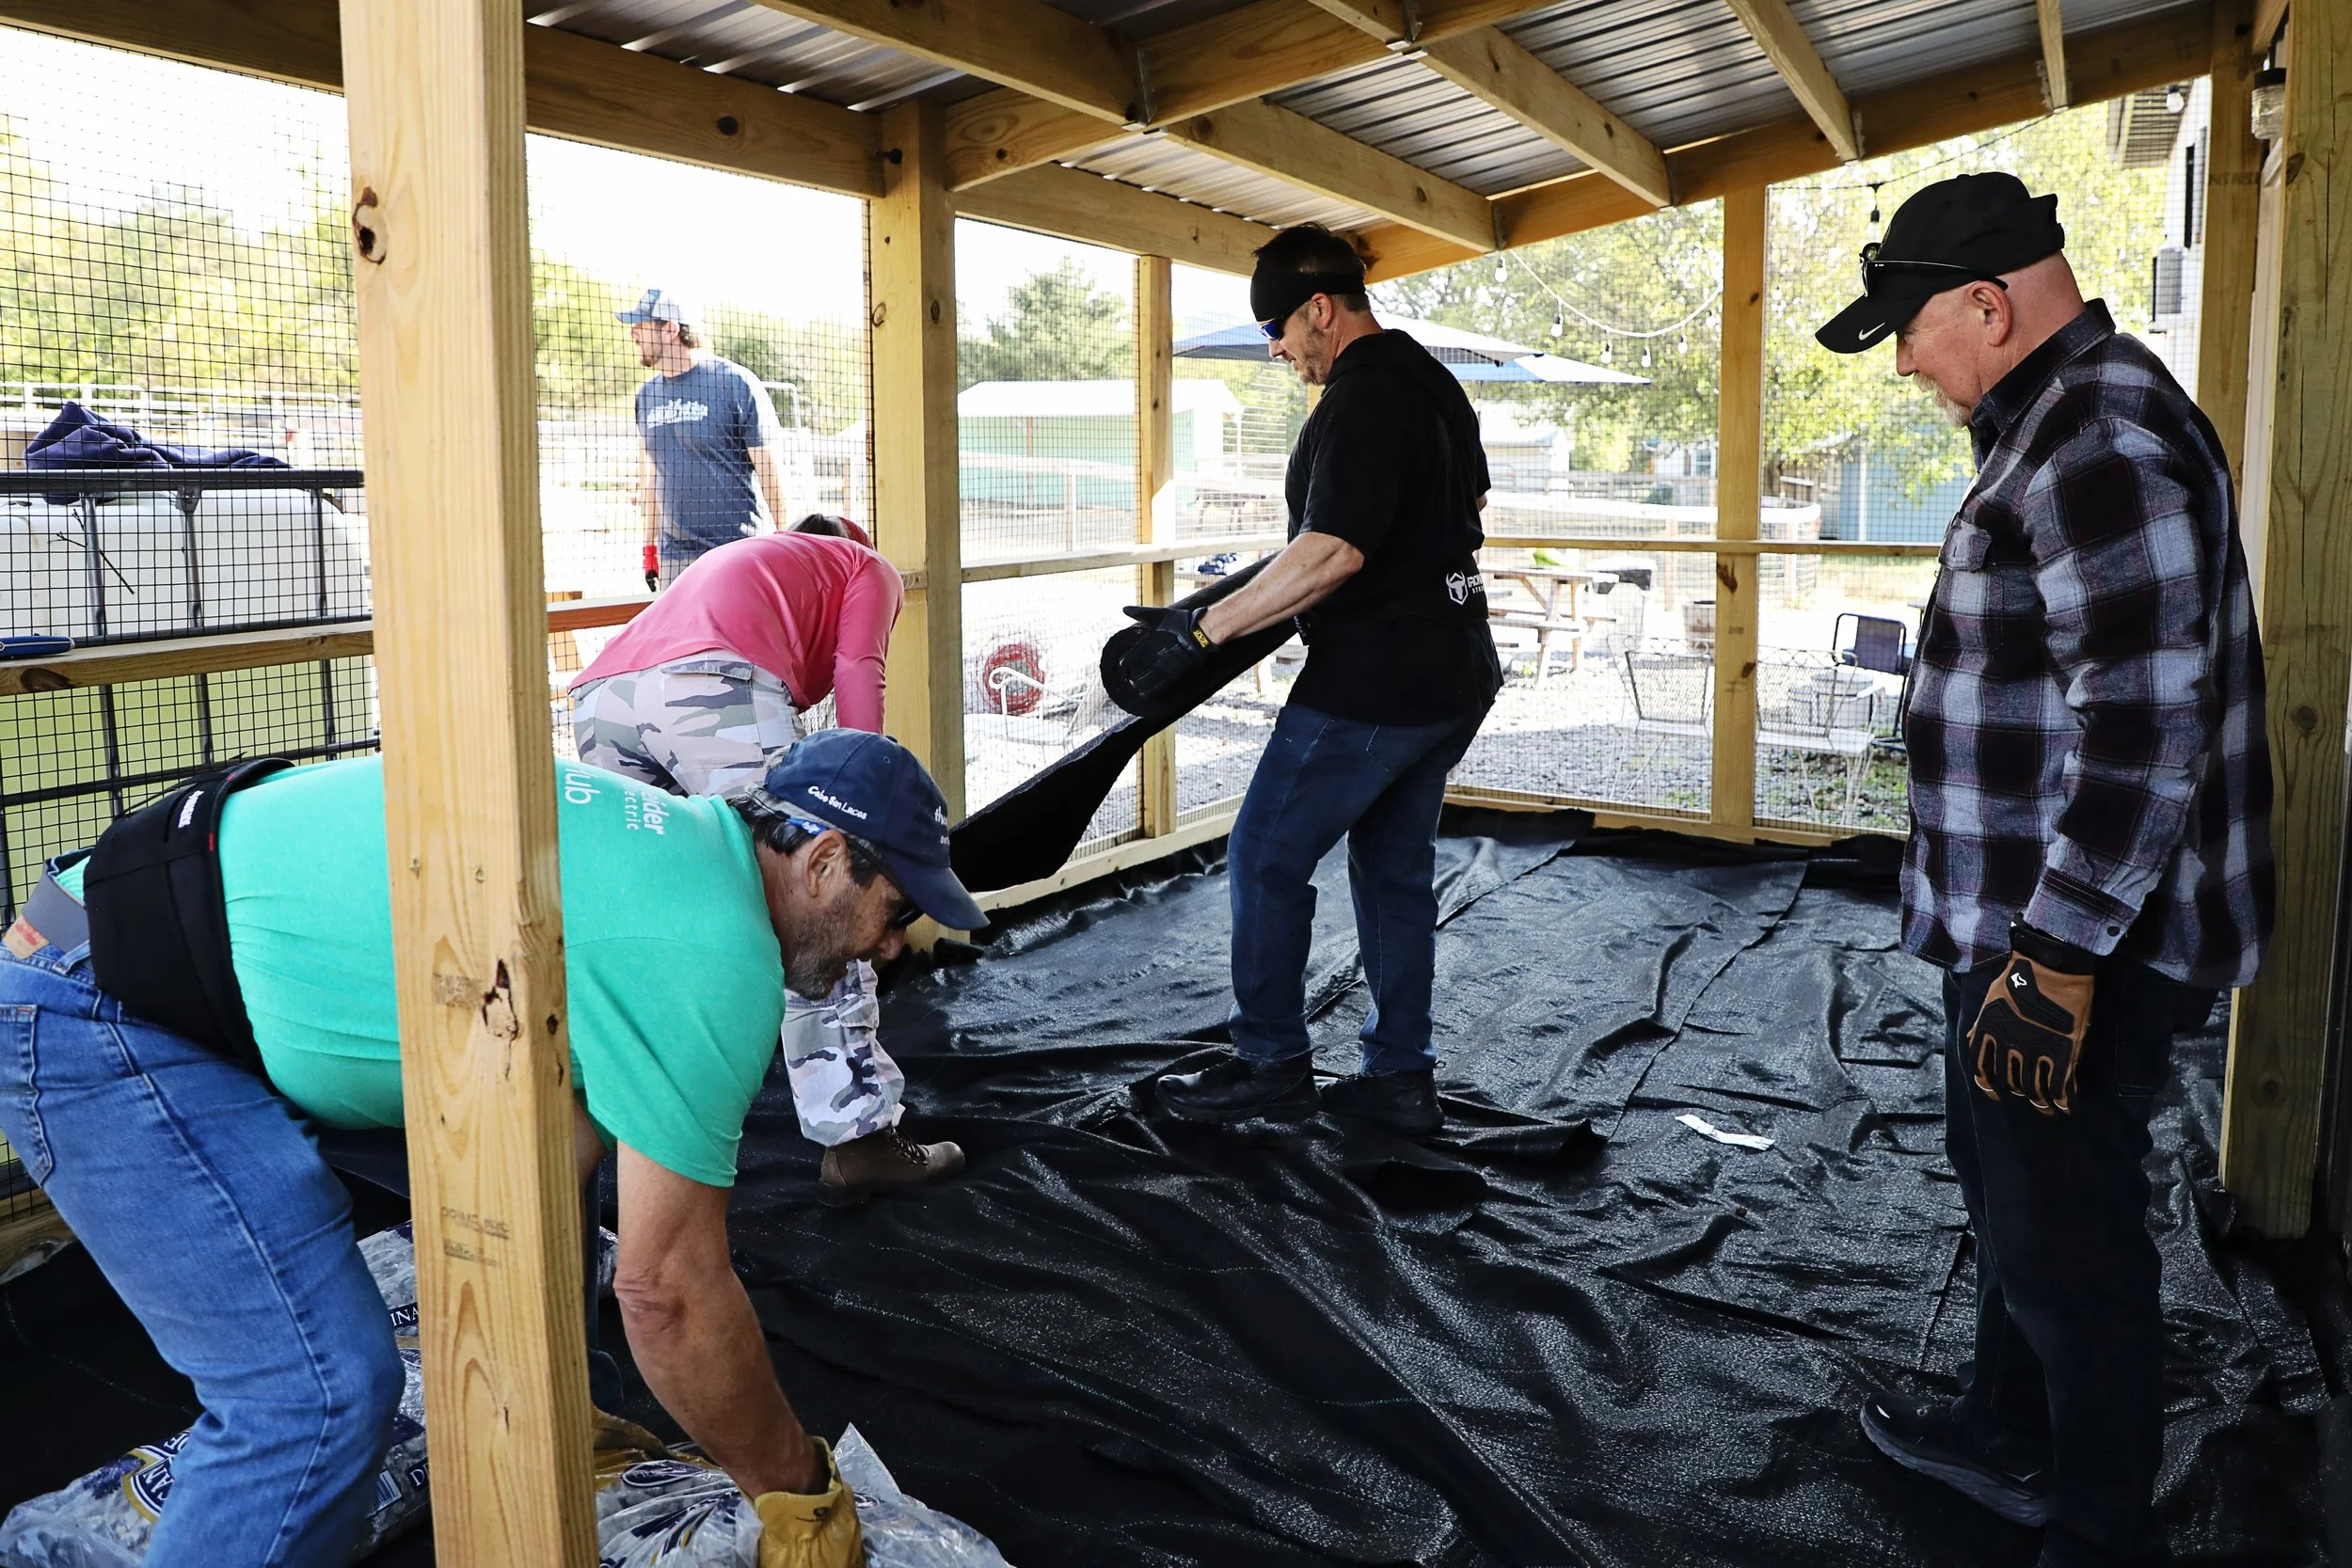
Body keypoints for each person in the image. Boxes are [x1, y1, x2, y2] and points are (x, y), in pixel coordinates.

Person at [0, 728, 984, 1568]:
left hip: (130, 952)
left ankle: (523, 1450)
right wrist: (797, 1493)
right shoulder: (713, 947)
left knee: (517, 1243)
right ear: (820, 861)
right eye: (896, 908)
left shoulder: (671, 851)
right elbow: (670, 1288)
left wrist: (553, 1406)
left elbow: (543, 1170)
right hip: (98, 1014)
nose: (893, 945)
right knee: (315, 1395)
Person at [1812, 172, 2272, 1568]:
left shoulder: (2094, 438)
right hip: (2032, 933)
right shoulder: (2061, 421)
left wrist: (2058, 962)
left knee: (2065, 1228)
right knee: (2017, 1189)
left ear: (1989, 302)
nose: (1903, 361)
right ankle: (2005, 1426)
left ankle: (2090, 1517)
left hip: (2072, 947)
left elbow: (2143, 732)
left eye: (1909, 326)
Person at [1122, 224, 1501, 1136]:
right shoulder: (1432, 381)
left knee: (1264, 854)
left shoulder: (1361, 397)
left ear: (1320, 309)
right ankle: (1399, 1078)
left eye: (1276, 327)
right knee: (1392, 872)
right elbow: (1467, 505)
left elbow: (1334, 548)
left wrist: (1204, 629)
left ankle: (1269, 1064)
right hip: (1455, 668)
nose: (1274, 348)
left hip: (1375, 682)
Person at [570, 519, 957, 1202]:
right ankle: (860, 1135)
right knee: (829, 896)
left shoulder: (748, 567)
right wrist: (863, 797)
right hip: (709, 684)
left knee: (663, 906)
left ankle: (646, 1133)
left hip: (603, 699)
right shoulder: (863, 565)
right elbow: (859, 667)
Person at [619, 287, 791, 589]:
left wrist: (789, 544)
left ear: (671, 329)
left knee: (736, 637)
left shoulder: (735, 383)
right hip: (675, 558)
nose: (633, 333)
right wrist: (649, 547)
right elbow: (652, 475)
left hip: (736, 551)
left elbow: (769, 469)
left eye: (641, 326)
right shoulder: (646, 396)